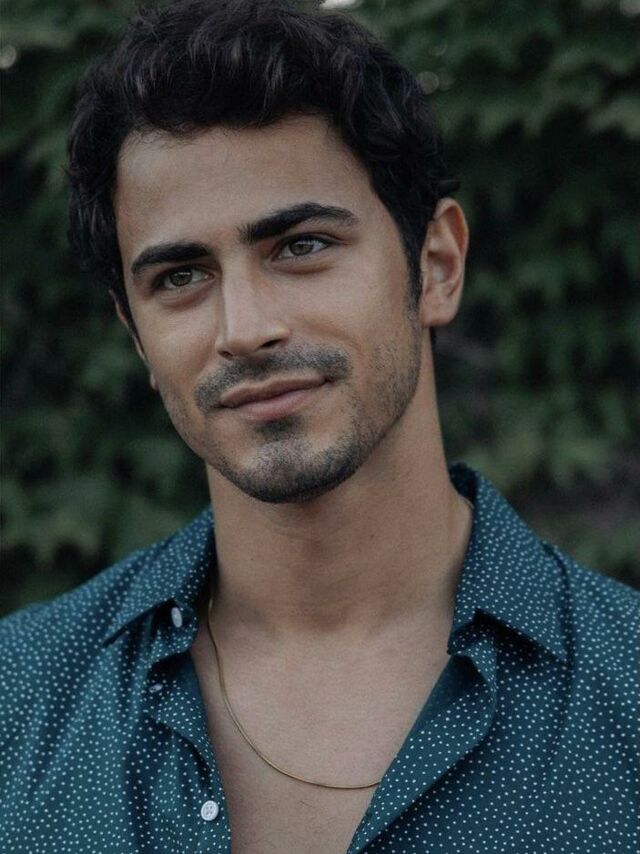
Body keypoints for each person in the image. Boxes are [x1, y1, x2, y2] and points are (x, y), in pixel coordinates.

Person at [1, 1, 638, 852]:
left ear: (436, 267)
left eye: (300, 246)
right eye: (181, 276)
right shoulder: (20, 698)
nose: (245, 329)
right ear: (137, 336)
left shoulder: (626, 690)